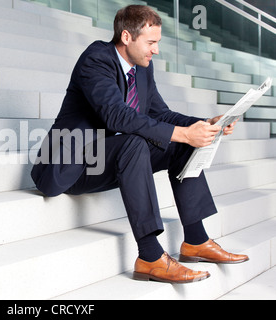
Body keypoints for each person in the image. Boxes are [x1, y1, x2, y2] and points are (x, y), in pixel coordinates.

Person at [31, 5, 248, 284]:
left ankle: (196, 240)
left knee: (181, 145)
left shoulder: (142, 68)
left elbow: (159, 114)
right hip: (66, 165)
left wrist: (205, 123)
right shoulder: (95, 60)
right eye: (151, 43)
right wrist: (182, 133)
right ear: (126, 37)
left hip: (104, 157)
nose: (156, 50)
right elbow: (117, 116)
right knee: (137, 142)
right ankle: (149, 256)